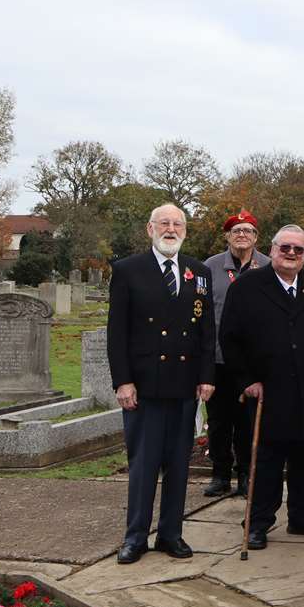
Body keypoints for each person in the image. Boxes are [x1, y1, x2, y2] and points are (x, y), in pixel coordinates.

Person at [218, 224, 304, 550]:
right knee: (267, 461)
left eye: (297, 250)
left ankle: (303, 516)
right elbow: (230, 339)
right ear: (272, 249)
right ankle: (258, 521)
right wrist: (246, 380)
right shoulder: (247, 287)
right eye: (284, 248)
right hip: (267, 393)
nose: (290, 254)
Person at [106, 203, 215, 564]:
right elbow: (116, 332)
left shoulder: (198, 272)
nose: (171, 229)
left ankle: (171, 534)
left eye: (178, 224)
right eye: (164, 223)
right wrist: (123, 382)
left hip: (184, 386)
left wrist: (206, 377)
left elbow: (205, 331)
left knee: (179, 466)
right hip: (144, 387)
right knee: (144, 466)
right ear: (149, 229)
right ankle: (135, 537)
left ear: (185, 230)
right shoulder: (127, 270)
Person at [202, 209, 269, 498]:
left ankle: (245, 474)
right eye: (236, 231)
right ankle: (220, 473)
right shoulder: (210, 267)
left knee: (247, 421)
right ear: (227, 236)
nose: (242, 235)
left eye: (248, 231)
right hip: (216, 358)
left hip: (251, 361)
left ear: (256, 237)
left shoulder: (267, 266)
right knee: (218, 420)